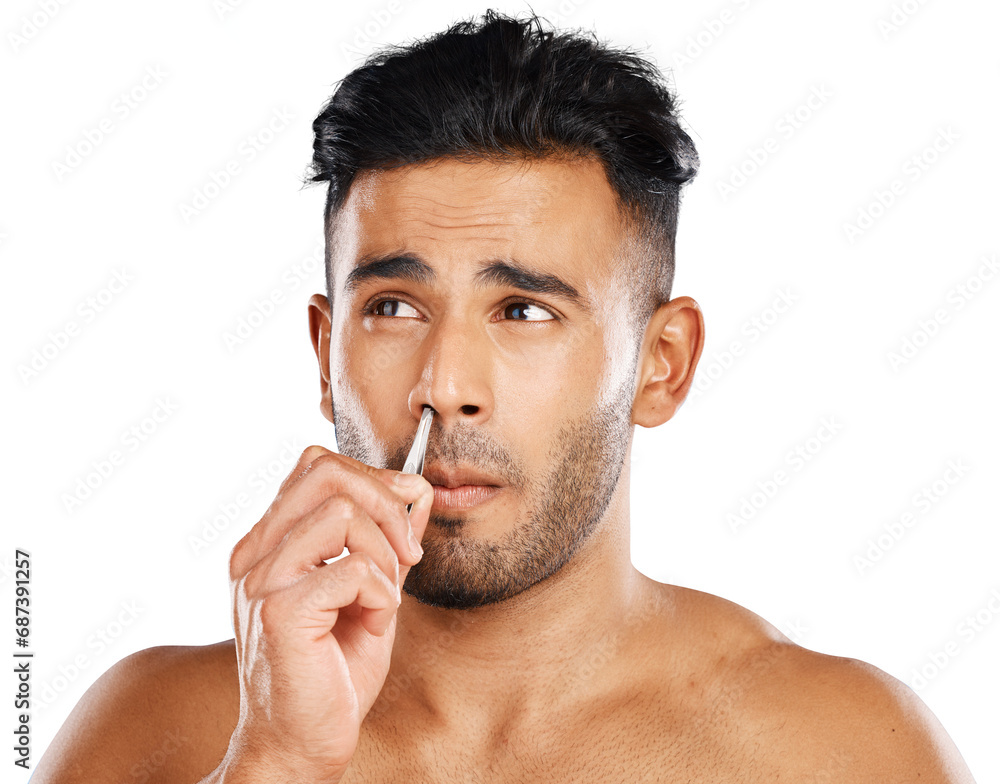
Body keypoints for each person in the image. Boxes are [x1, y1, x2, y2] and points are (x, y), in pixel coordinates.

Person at [32, 9, 976, 783]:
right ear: (326, 354)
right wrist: (274, 763)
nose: (444, 387)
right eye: (395, 307)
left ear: (663, 364)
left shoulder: (839, 753)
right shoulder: (151, 737)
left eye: (524, 311)